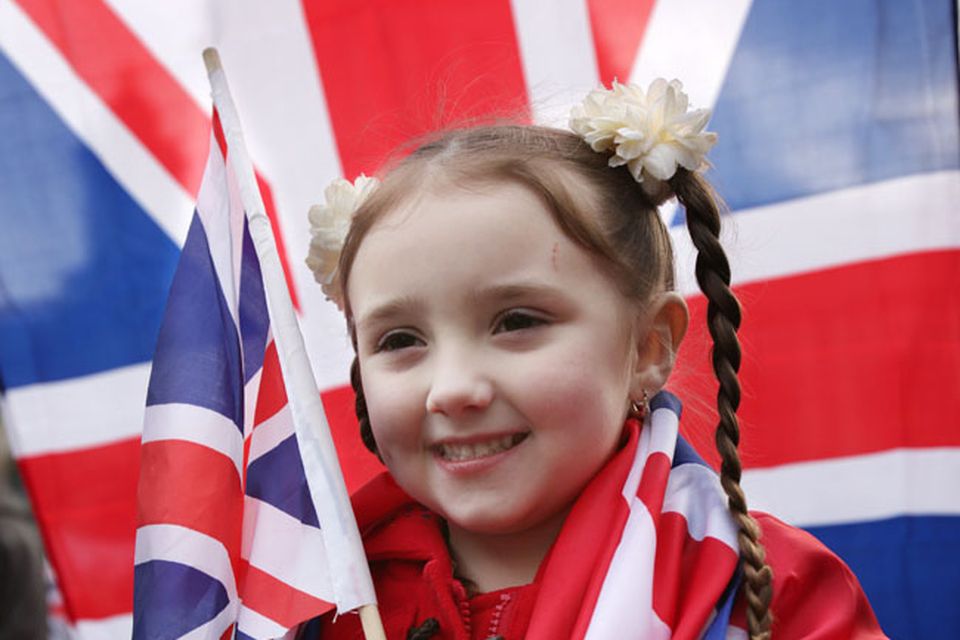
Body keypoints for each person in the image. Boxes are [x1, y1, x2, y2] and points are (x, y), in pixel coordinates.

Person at [304, 80, 886, 639]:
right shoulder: (309, 600)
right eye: (401, 340)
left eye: (517, 322)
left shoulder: (770, 592)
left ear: (648, 345)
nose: (452, 389)